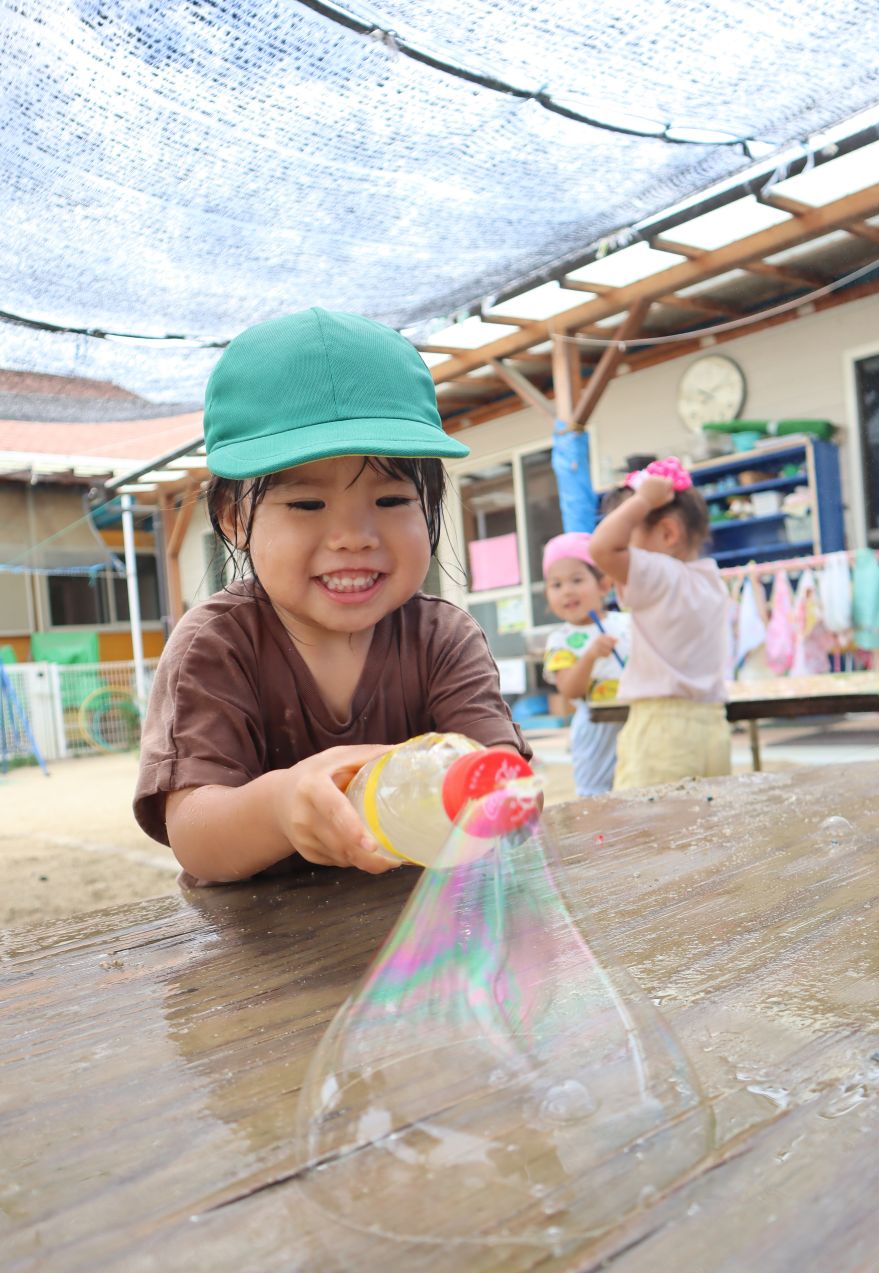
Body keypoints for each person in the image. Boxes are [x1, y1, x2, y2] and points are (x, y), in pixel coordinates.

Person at [134, 308, 529, 885]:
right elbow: (194, 837)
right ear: (234, 518)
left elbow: (504, 781)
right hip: (263, 955)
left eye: (392, 501)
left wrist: (504, 797)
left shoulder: (443, 639)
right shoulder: (216, 645)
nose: (354, 538)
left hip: (419, 937)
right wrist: (280, 807)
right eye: (307, 505)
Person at [590, 457, 731, 789]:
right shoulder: (711, 581)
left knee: (651, 831)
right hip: (713, 725)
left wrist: (643, 501)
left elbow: (601, 547)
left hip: (662, 730)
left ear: (668, 533)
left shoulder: (661, 574)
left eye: (631, 529)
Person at [541, 533, 630, 797]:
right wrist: (590, 656)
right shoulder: (560, 641)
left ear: (604, 584)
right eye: (556, 585)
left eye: (577, 580)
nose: (567, 591)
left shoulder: (626, 624)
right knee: (597, 800)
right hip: (594, 733)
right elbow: (569, 690)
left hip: (636, 723)